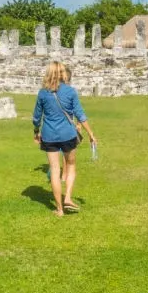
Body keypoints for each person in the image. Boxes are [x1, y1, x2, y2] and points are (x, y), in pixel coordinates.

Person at [32, 62, 97, 216]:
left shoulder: (42, 93)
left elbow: (36, 117)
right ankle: (67, 197)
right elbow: (80, 115)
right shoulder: (70, 91)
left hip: (49, 135)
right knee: (71, 165)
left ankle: (59, 209)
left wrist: (36, 131)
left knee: (54, 170)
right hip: (68, 134)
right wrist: (91, 134)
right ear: (63, 74)